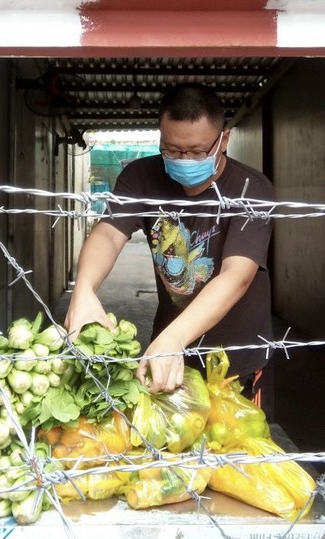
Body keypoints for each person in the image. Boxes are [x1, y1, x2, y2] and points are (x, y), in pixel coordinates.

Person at [64, 83, 275, 418]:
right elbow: (108, 233)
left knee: (234, 462)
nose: (184, 160)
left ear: (224, 139)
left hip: (236, 363)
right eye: (173, 150)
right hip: (167, 357)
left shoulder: (251, 189)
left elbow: (237, 276)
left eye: (196, 151)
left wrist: (175, 338)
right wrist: (84, 290)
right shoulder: (141, 177)